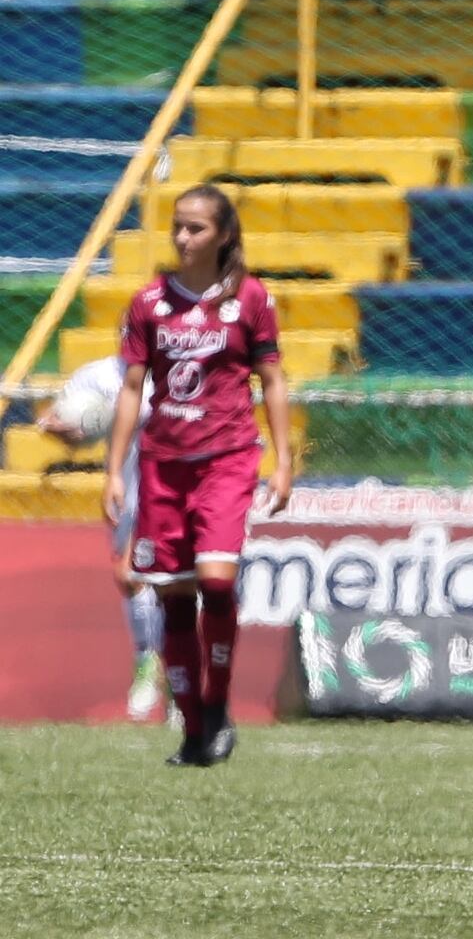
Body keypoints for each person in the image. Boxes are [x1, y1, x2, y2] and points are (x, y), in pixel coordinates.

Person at [105, 183, 293, 767]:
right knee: (174, 595)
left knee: (216, 580)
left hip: (227, 459)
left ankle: (215, 705)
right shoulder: (148, 303)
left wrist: (284, 461)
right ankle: (191, 730)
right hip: (163, 466)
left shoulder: (251, 298)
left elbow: (272, 380)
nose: (183, 238)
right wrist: (114, 471)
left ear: (224, 234)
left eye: (196, 228)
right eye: (178, 227)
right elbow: (132, 389)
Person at [39, 356, 163, 721]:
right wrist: (60, 428)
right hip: (130, 491)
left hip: (174, 486)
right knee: (131, 578)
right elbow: (58, 418)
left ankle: (161, 672)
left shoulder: (179, 367)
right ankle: (154, 666)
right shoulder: (99, 375)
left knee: (150, 579)